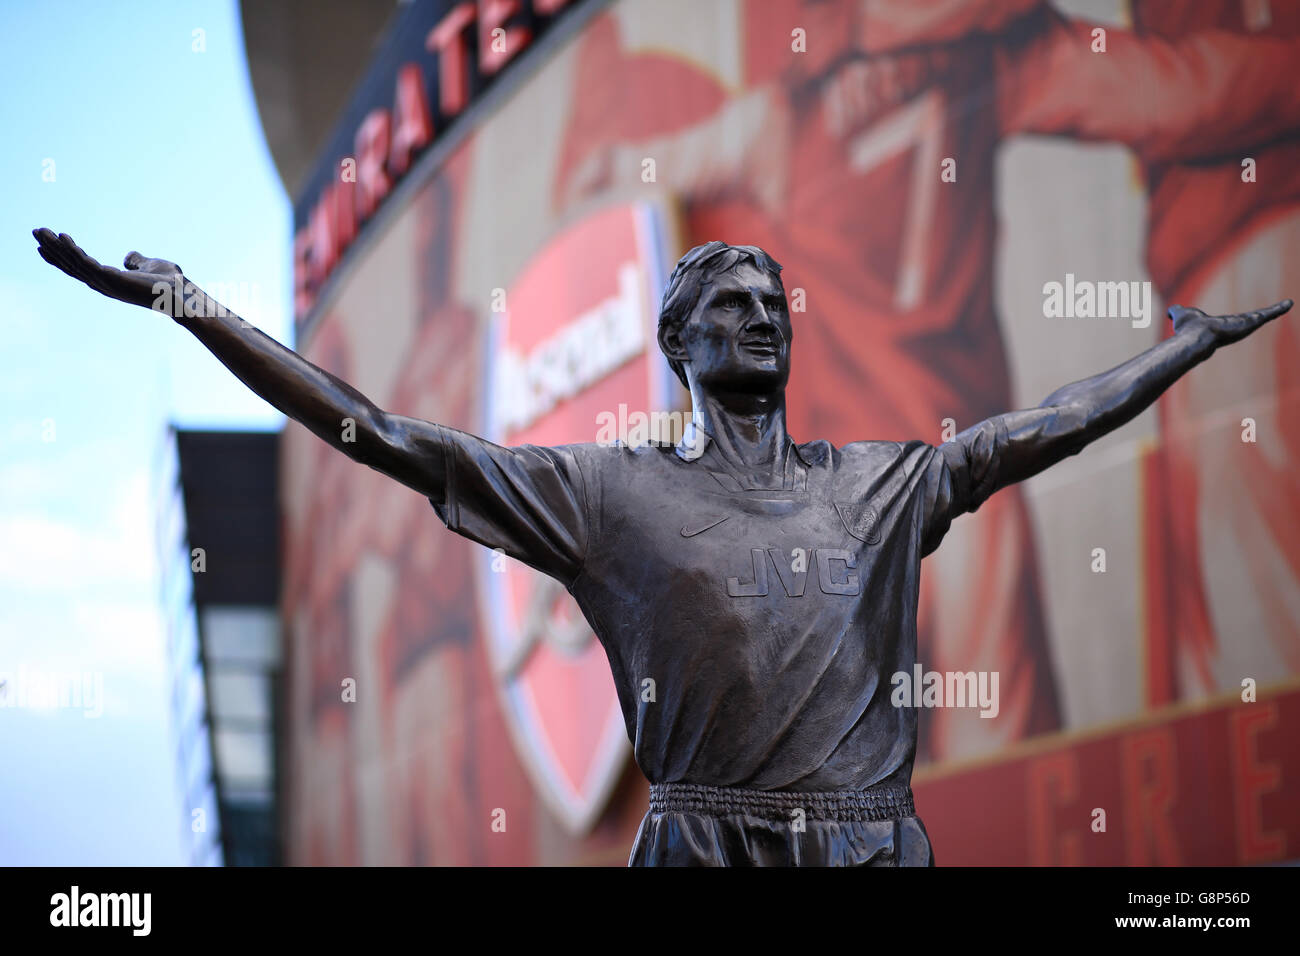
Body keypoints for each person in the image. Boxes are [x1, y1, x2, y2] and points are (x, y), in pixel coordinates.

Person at [32, 230, 1291, 866]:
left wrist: (1185, 345)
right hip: (702, 840)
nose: (757, 319)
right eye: (726, 308)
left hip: (865, 840)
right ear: (676, 344)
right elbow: (381, 434)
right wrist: (190, 304)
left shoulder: (880, 482)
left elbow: (1047, 427)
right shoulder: (605, 493)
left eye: (770, 305)